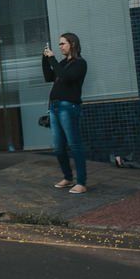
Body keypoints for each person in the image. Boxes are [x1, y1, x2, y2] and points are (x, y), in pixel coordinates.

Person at [43, 32, 89, 194]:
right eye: (59, 44)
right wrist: (45, 58)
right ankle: (68, 177)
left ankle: (81, 182)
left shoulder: (80, 63)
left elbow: (65, 77)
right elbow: (49, 76)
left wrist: (52, 59)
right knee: (58, 147)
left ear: (73, 44)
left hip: (68, 107)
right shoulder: (62, 62)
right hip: (55, 108)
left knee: (75, 144)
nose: (60, 46)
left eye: (63, 44)